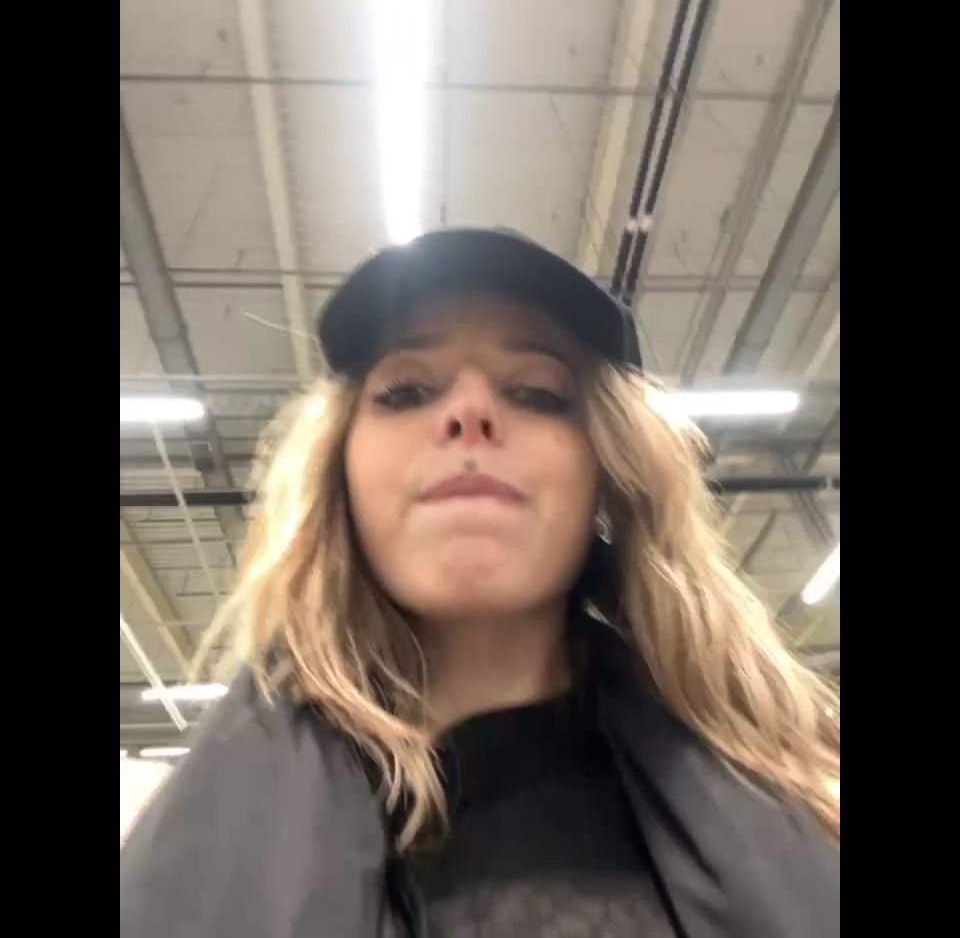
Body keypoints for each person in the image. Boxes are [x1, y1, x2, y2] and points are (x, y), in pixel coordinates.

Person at [120, 228, 839, 938]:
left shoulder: (800, 796)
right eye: (406, 391)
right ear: (342, 475)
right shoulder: (204, 832)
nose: (469, 411)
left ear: (608, 477)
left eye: (537, 393)